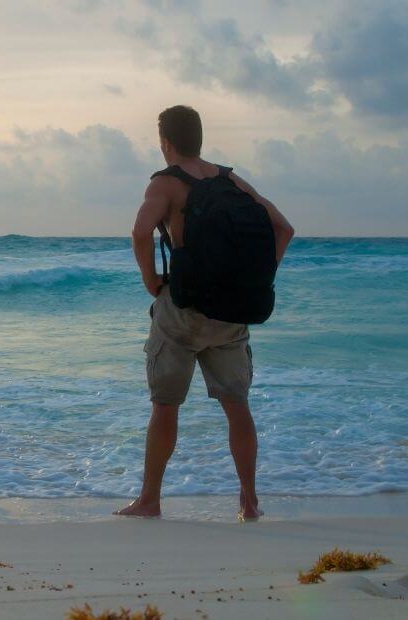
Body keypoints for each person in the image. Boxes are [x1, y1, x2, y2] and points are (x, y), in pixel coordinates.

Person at [115, 105, 295, 520]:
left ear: (166, 143)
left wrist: (151, 282)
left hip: (183, 312)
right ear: (199, 138)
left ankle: (149, 500)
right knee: (237, 406)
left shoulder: (166, 183)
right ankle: (249, 501)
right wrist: (255, 279)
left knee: (165, 405)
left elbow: (141, 232)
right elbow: (284, 228)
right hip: (232, 314)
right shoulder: (229, 179)